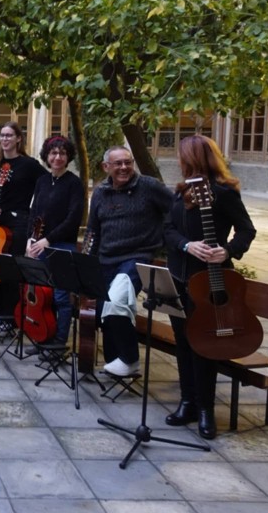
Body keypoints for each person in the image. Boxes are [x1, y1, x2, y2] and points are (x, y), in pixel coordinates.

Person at [163, 135, 256, 440]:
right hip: (179, 278)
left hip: (211, 284)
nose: (180, 160)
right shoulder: (180, 192)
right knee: (183, 342)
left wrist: (227, 251)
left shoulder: (223, 193)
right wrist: (187, 245)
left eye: (183, 156)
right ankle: (188, 402)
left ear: (194, 158)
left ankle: (205, 410)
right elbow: (168, 230)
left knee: (204, 345)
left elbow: (246, 229)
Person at [86, 145, 173, 377]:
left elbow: (176, 211)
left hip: (136, 258)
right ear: (106, 167)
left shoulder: (149, 186)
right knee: (105, 313)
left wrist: (166, 240)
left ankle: (130, 359)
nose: (124, 167)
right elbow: (93, 231)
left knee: (117, 303)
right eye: (118, 163)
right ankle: (115, 364)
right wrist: (86, 262)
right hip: (106, 260)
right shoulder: (101, 192)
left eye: (128, 162)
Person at [0, 121, 45, 336]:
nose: (5, 139)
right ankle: (1, 316)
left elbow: (46, 185)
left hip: (18, 224)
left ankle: (12, 319)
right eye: (2, 135)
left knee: (10, 273)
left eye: (9, 135)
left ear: (19, 138)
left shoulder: (29, 165)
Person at [26, 135, 86, 351]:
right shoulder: (42, 181)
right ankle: (43, 337)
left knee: (61, 297)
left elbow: (73, 219)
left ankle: (59, 342)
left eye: (62, 153)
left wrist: (47, 240)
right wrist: (29, 239)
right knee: (43, 296)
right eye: (53, 153)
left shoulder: (74, 183)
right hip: (38, 245)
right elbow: (34, 212)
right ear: (47, 156)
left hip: (61, 246)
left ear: (68, 156)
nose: (58, 157)